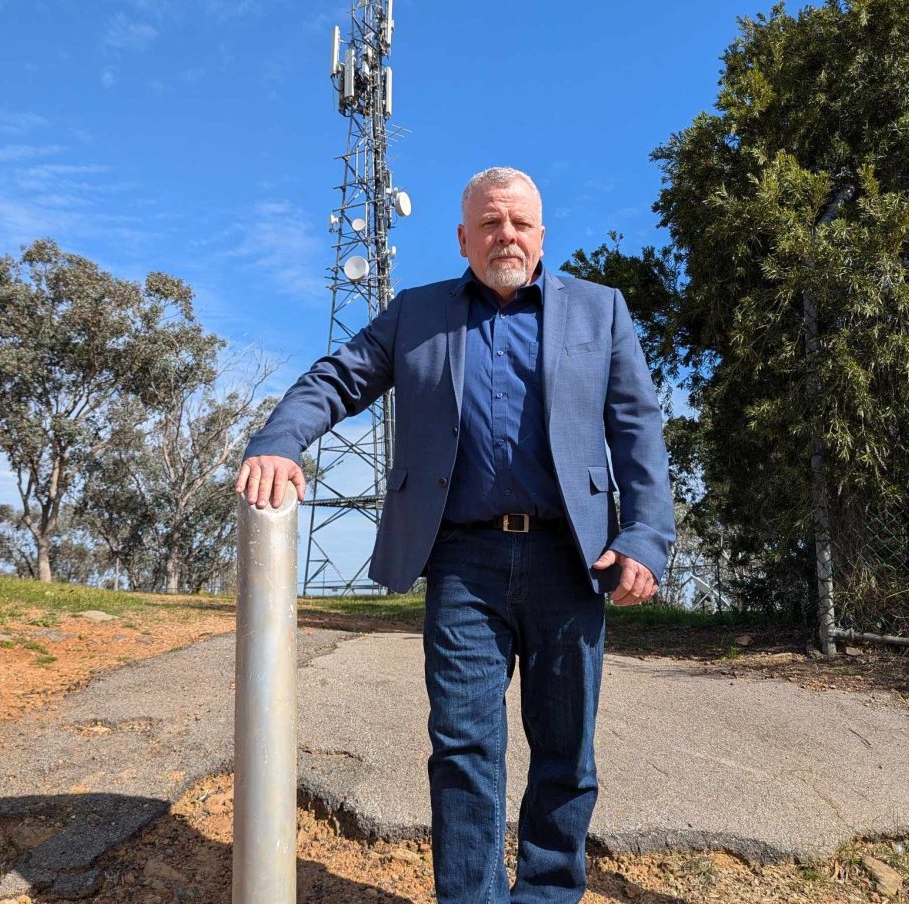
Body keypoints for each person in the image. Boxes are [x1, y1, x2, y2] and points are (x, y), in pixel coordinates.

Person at [235, 166, 675, 904]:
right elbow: (336, 379)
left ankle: (547, 893)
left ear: (541, 235)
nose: (508, 235)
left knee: (566, 751)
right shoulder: (418, 314)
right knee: (465, 748)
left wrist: (645, 536)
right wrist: (278, 441)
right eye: (492, 224)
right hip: (463, 561)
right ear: (464, 238)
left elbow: (637, 428)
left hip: (572, 557)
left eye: (522, 223)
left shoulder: (600, 312)